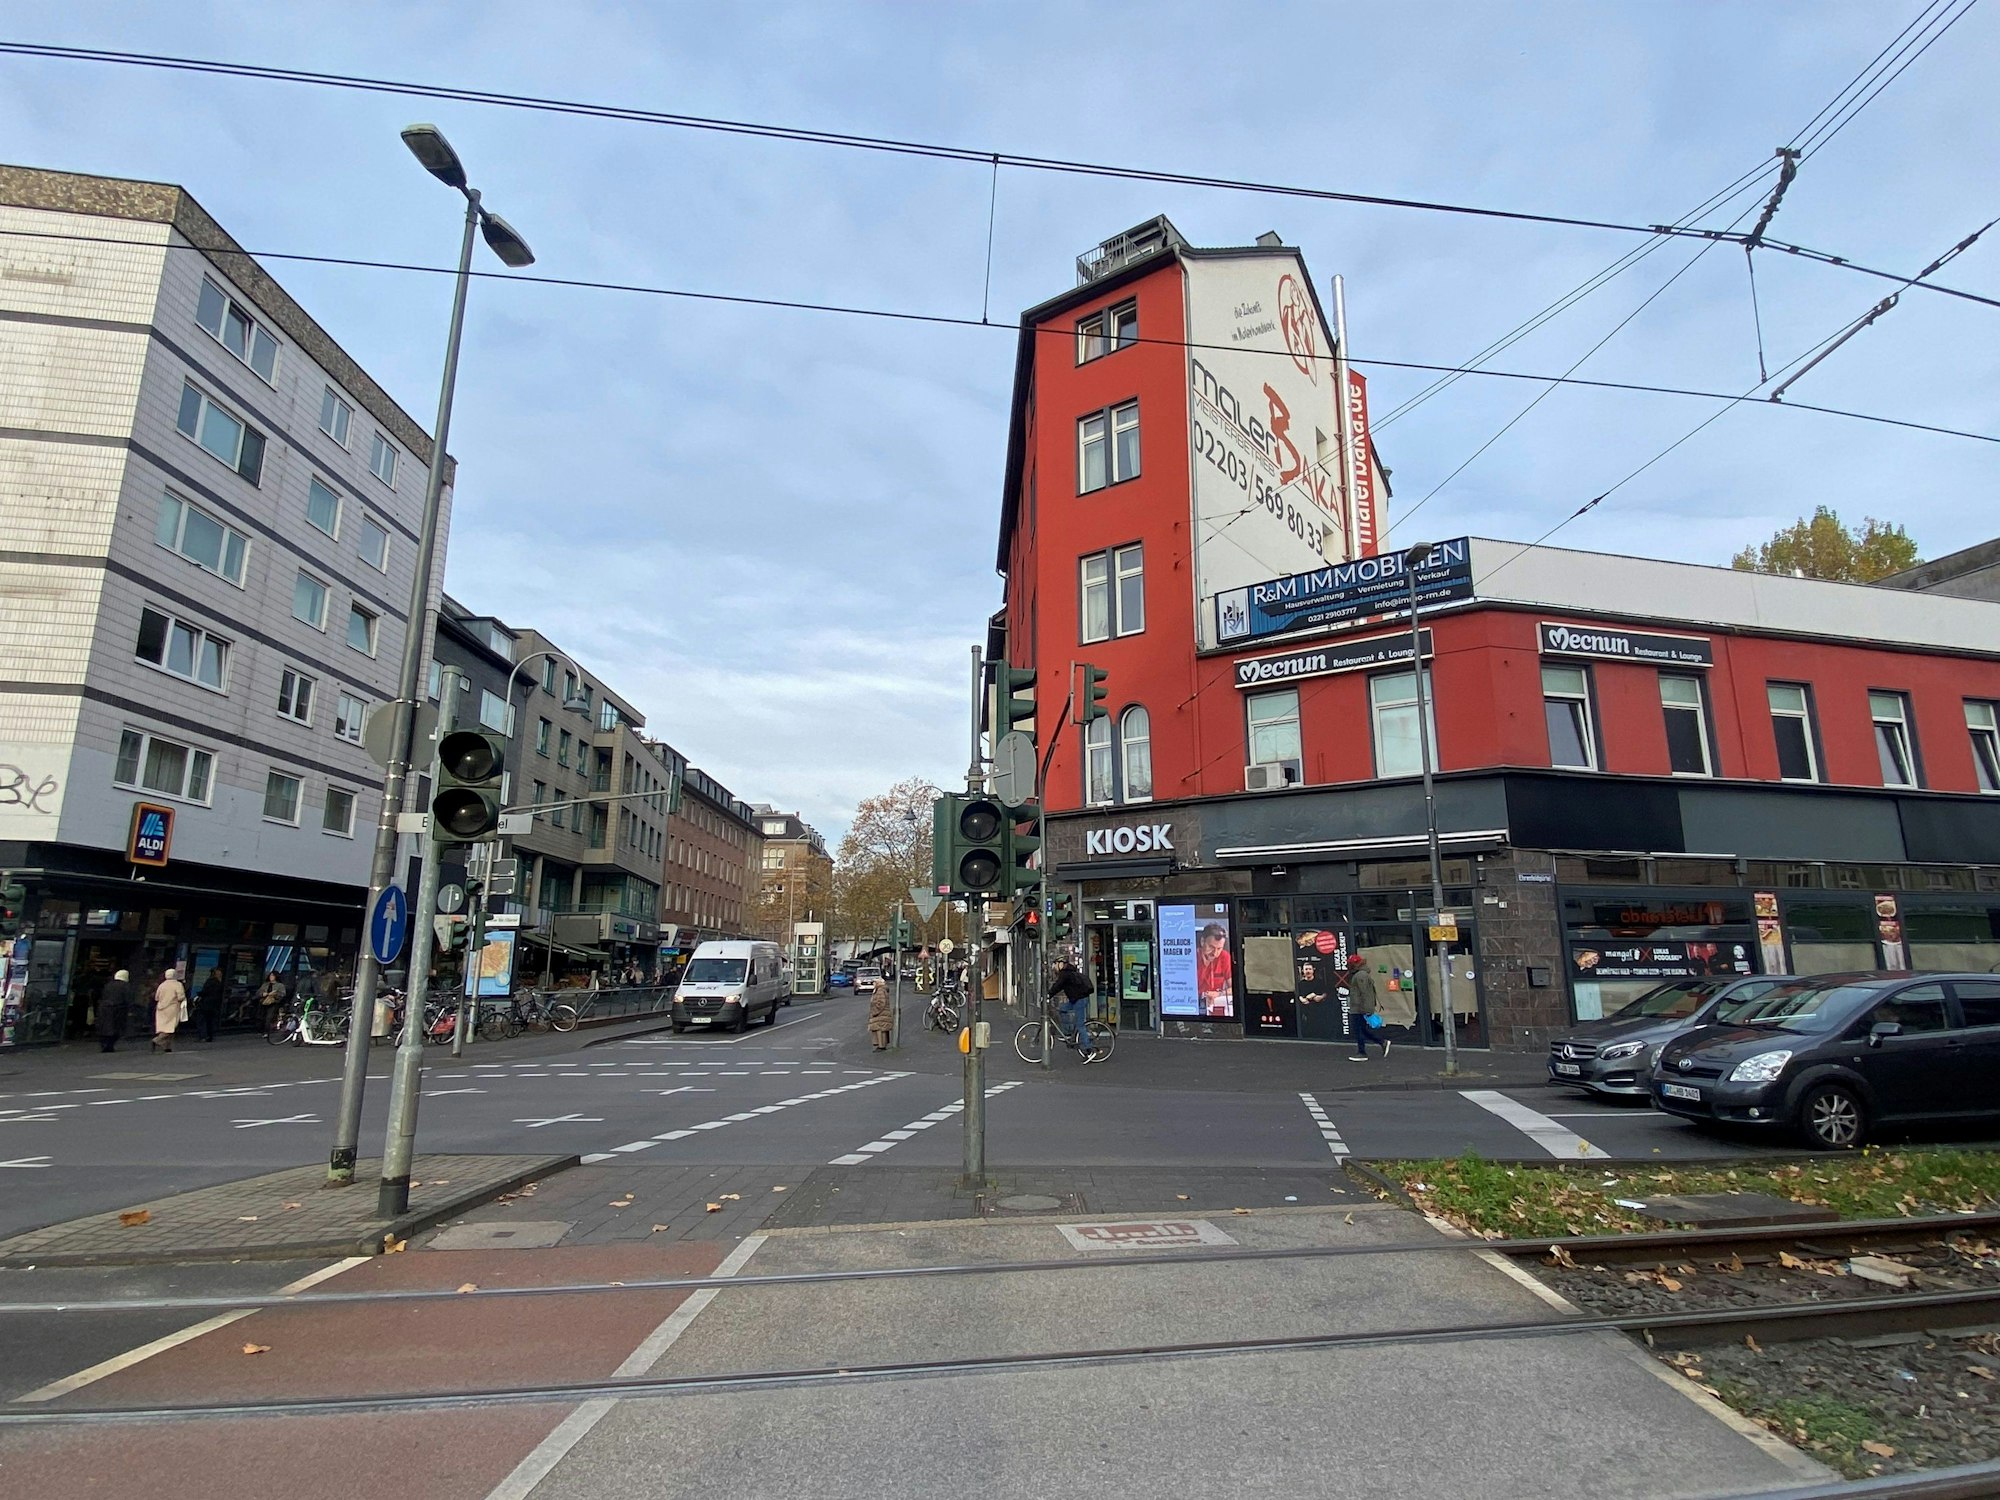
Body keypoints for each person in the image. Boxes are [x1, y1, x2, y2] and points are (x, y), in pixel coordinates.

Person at [1046, 948, 1100, 1064]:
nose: (1054, 967)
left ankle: (1089, 1050)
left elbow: (1057, 986)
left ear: (1060, 964)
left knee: (1080, 1025)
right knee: (1062, 1009)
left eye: (1055, 964)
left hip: (1080, 1000)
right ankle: (1068, 1032)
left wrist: (1048, 995)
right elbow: (1059, 986)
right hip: (1075, 999)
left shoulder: (1065, 974)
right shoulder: (1068, 972)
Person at [1341, 953, 1391, 1062]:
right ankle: (1381, 1042)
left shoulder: (1360, 976)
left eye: (1350, 964)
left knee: (1359, 1030)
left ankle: (1362, 1052)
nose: (1348, 966)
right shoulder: (1361, 974)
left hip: (1359, 1008)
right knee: (1362, 1030)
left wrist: (1367, 1010)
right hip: (1359, 1007)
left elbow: (1365, 993)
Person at [1197, 923, 1233, 1016]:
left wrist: (1219, 994)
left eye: (1219, 948)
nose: (1215, 953)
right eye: (1211, 947)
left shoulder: (1224, 956)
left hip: (1215, 1004)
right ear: (1202, 942)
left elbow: (1233, 988)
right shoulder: (1191, 957)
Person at [152, 964, 187, 1053]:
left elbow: (156, 997)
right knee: (171, 1027)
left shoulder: (162, 985)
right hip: (172, 1008)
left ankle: (167, 1046)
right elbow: (180, 997)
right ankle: (157, 1040)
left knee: (163, 1026)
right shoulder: (177, 984)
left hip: (160, 1009)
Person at [96, 969, 133, 1053]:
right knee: (116, 1028)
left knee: (105, 1027)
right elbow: (128, 998)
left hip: (104, 1008)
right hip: (118, 1009)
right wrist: (130, 1009)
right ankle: (110, 1045)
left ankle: (104, 1044)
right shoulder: (125, 986)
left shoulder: (108, 985)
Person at [194, 968, 224, 1043]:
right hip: (214, 1005)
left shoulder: (210, 981)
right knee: (210, 1021)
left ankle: (203, 1036)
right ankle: (209, 1036)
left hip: (206, 1004)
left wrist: (199, 995)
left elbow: (205, 991)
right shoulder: (219, 983)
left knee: (202, 1020)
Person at [866, 974, 892, 1051]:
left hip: (880, 1014)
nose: (873, 984)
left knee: (880, 1029)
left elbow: (881, 1002)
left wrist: (875, 1011)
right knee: (881, 1029)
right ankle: (882, 1045)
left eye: (874, 982)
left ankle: (881, 1046)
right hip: (883, 1014)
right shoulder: (881, 990)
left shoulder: (880, 990)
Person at [258, 971, 286, 1036]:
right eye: (270, 976)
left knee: (269, 1017)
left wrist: (275, 995)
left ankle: (266, 1031)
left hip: (273, 1003)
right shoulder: (265, 984)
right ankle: (261, 1029)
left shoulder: (280, 985)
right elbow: (259, 992)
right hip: (263, 1002)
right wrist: (262, 994)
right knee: (261, 1016)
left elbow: (283, 994)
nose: (271, 977)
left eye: (273, 976)